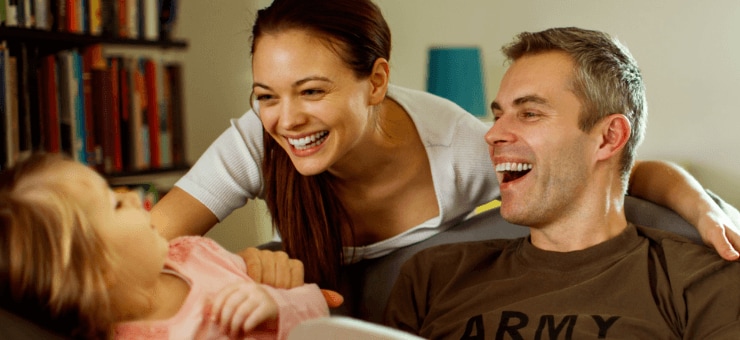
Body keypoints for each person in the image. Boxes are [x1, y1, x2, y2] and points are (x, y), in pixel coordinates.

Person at [152, 0, 740, 291]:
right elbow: (147, 244)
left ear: (376, 81)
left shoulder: (458, 148)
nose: (286, 118)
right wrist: (233, 271)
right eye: (266, 95)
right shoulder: (258, 139)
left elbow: (613, 172)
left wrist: (704, 207)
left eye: (311, 91)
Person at [384, 27, 740, 338]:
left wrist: (706, 209)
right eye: (498, 115)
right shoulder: (433, 276)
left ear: (608, 138)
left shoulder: (697, 281)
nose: (492, 134)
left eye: (530, 113)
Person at [0, 153, 333, 339]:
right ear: (100, 269)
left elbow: (319, 309)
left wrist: (276, 303)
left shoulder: (197, 253)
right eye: (114, 206)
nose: (131, 196)